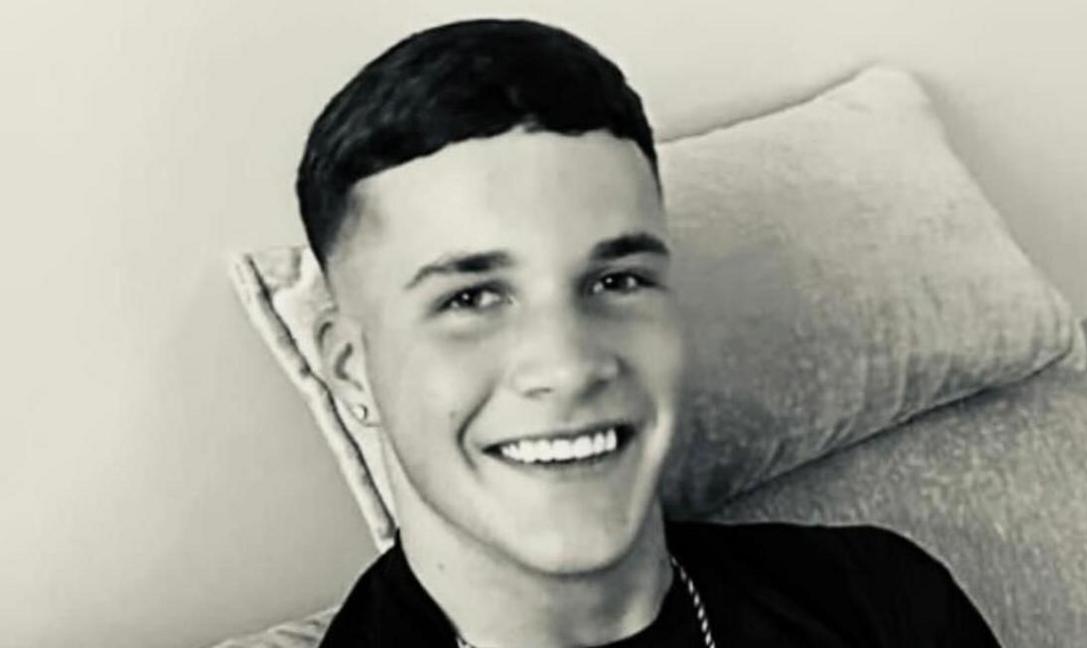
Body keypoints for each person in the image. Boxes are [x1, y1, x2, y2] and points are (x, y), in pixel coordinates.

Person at [296, 18, 1001, 647]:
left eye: (616, 282)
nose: (570, 364)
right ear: (351, 367)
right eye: (473, 297)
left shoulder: (879, 602)